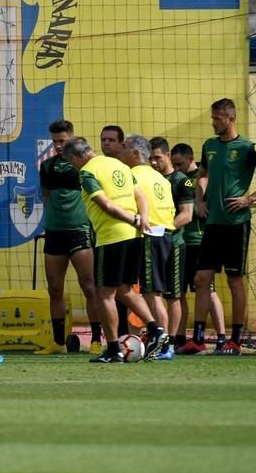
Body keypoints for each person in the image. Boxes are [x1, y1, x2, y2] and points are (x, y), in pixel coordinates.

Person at [64, 136, 168, 363]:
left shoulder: (86, 172)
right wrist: (143, 219)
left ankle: (113, 349)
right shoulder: (117, 164)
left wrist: (133, 219)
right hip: (135, 236)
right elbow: (140, 195)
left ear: (74, 157)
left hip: (112, 236)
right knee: (125, 289)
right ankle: (157, 329)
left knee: (104, 294)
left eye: (71, 162)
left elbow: (107, 205)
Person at [193, 98, 256, 354]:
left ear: (230, 119)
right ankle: (198, 339)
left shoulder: (248, 147)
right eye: (212, 118)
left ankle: (235, 340)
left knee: (235, 280)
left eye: (217, 119)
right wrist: (199, 199)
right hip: (213, 224)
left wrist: (250, 198)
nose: (213, 123)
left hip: (236, 223)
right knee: (201, 279)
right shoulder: (209, 145)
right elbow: (202, 175)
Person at [35, 120, 102, 356]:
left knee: (89, 286)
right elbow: (46, 196)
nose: (58, 146)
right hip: (54, 234)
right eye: (54, 142)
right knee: (54, 288)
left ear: (72, 139)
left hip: (80, 232)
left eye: (62, 141)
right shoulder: (47, 167)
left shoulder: (84, 165)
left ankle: (96, 339)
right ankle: (58, 342)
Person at [120, 135, 176, 359]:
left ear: (135, 153)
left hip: (147, 237)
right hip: (164, 237)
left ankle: (164, 346)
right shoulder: (160, 178)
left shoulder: (131, 176)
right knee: (151, 293)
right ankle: (154, 343)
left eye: (124, 148)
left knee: (151, 294)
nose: (121, 152)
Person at [170, 142, 227, 354]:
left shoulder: (203, 179)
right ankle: (180, 338)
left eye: (180, 164)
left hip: (202, 241)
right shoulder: (176, 180)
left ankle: (222, 338)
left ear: (191, 158)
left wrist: (196, 204)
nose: (176, 169)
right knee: (179, 293)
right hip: (183, 242)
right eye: (174, 164)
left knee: (207, 290)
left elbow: (206, 209)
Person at [148, 136, 194, 360]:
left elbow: (187, 215)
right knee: (152, 293)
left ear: (167, 155)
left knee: (173, 296)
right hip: (152, 244)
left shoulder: (181, 181)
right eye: (150, 158)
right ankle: (157, 338)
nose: (154, 162)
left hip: (173, 244)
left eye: (157, 157)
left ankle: (172, 343)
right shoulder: (149, 179)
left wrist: (164, 230)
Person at [99, 124, 131, 338]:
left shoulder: (129, 168)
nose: (106, 143)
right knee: (115, 290)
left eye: (111, 140)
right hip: (108, 233)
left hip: (127, 233)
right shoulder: (97, 166)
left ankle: (151, 332)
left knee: (125, 289)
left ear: (122, 144)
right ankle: (121, 337)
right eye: (103, 139)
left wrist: (138, 219)